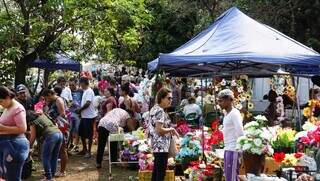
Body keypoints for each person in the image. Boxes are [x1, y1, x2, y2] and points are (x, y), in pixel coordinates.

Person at [148, 88, 179, 181]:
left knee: (156, 172)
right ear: (161, 98)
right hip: (161, 146)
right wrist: (171, 129)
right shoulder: (160, 111)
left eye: (171, 98)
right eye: (168, 98)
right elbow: (159, 130)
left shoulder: (154, 108)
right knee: (160, 174)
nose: (171, 100)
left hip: (156, 145)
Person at [0, 86, 29, 181]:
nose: (0, 104)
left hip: (15, 146)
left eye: (1, 101)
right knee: (7, 177)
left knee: (13, 177)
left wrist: (2, 128)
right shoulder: (8, 107)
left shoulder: (18, 108)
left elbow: (22, 128)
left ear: (8, 97)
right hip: (8, 145)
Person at [28, 111, 62, 181]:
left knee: (45, 157)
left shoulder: (32, 122)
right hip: (59, 133)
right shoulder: (43, 116)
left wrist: (28, 147)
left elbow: (33, 137)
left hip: (51, 135)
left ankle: (48, 177)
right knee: (54, 157)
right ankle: (51, 175)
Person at [217, 89, 244, 181]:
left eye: (221, 101)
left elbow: (240, 132)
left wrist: (240, 150)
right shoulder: (227, 114)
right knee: (229, 177)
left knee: (231, 178)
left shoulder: (235, 114)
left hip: (234, 149)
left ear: (229, 100)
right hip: (228, 148)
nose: (219, 103)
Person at [42, 89, 69, 177]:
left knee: (62, 150)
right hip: (54, 127)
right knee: (54, 150)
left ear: (50, 94)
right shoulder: (52, 101)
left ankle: (62, 171)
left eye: (46, 98)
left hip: (61, 127)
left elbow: (63, 114)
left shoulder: (58, 100)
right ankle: (50, 170)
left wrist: (55, 122)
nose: (46, 100)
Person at [77, 77, 97, 158]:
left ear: (83, 83)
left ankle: (88, 151)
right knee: (81, 133)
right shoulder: (85, 91)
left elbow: (88, 103)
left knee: (89, 135)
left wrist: (80, 109)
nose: (80, 85)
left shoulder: (89, 91)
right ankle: (84, 149)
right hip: (84, 115)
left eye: (80, 83)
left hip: (89, 116)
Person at [68, 77, 83, 152]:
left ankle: (76, 145)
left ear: (76, 84)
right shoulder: (68, 91)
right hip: (70, 113)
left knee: (77, 129)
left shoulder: (81, 91)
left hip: (78, 113)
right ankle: (71, 144)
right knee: (70, 129)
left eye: (72, 85)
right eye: (70, 85)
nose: (71, 87)